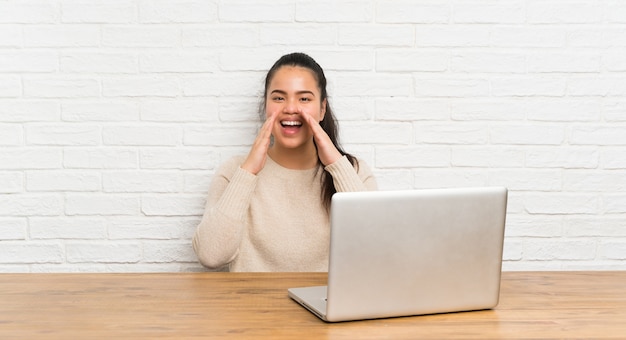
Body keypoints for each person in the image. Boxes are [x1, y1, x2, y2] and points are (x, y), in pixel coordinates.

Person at [192, 52, 377, 272]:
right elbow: (211, 256)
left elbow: (375, 249)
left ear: (322, 108)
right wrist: (249, 171)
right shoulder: (235, 171)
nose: (291, 108)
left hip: (327, 305)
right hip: (254, 305)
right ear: (266, 105)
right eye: (279, 98)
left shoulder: (354, 171)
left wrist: (336, 164)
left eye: (304, 99)